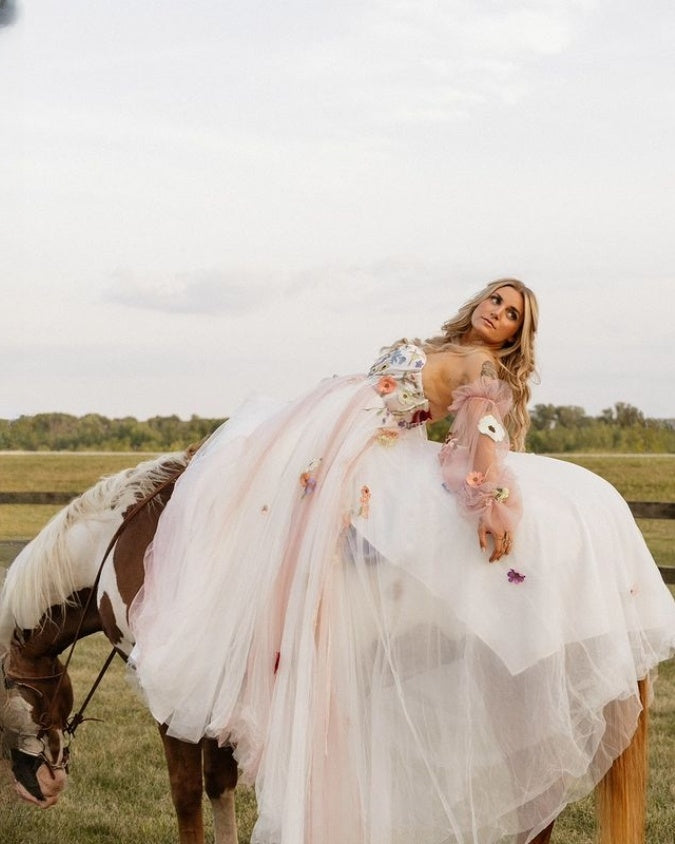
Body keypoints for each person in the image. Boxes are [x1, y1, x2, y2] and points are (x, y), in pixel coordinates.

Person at [129, 279, 675, 844]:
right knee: (242, 477)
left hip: (364, 440)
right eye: (497, 300)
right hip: (334, 423)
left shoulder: (482, 368)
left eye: (512, 314)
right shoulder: (441, 343)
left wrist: (490, 499)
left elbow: (485, 430)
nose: (499, 314)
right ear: (480, 301)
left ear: (516, 334)